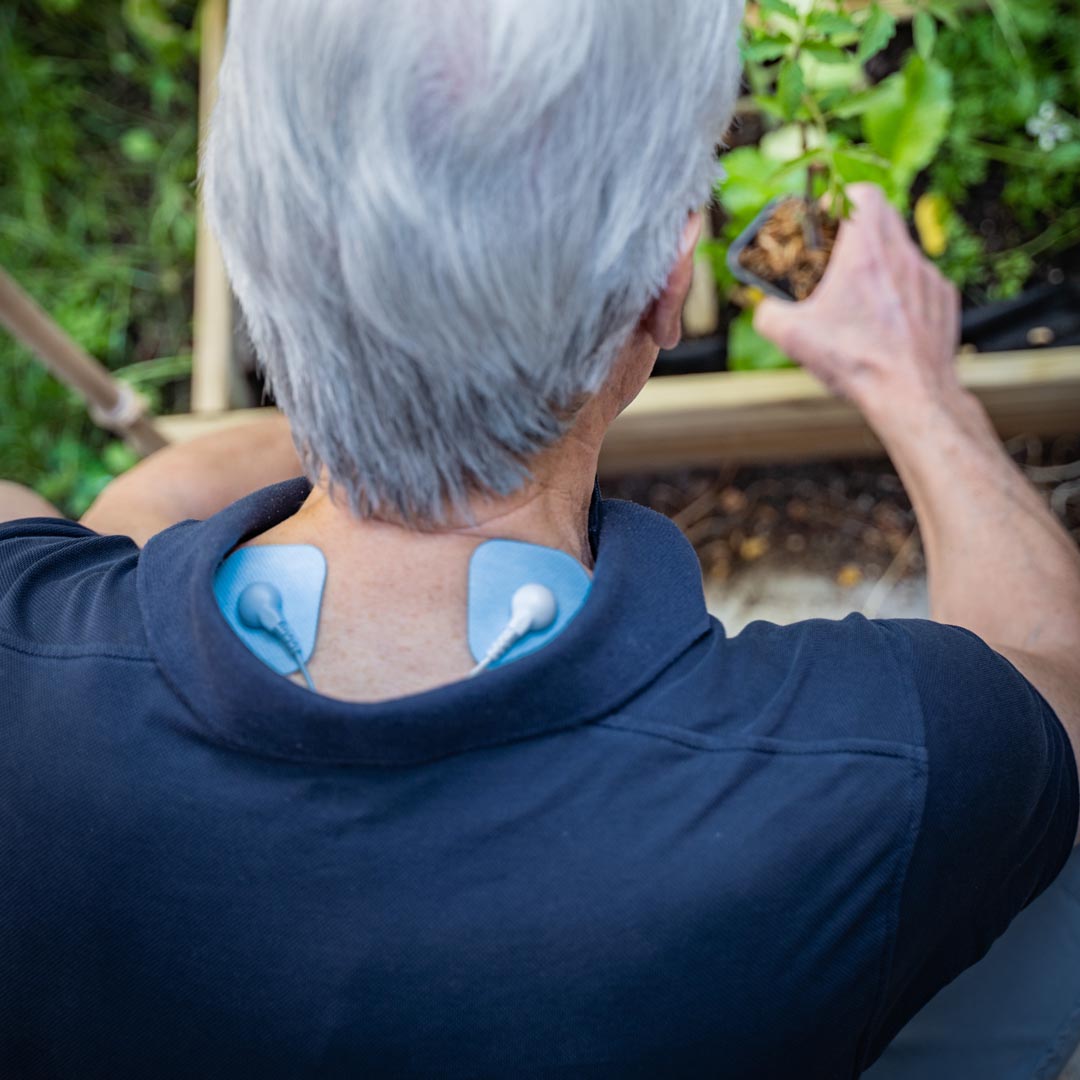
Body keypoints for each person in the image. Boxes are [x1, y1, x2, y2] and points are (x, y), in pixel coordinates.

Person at [2, 1, 1079, 1076]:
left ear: (245, 232)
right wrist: (913, 384)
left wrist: (367, 368)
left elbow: (132, 523)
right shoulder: (878, 768)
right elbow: (1057, 669)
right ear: (668, 291)